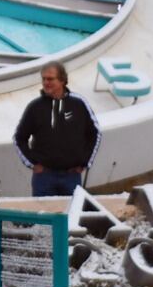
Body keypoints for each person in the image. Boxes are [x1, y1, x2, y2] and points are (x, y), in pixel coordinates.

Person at [13, 61, 101, 197]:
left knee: (70, 216)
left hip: (72, 177)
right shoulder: (35, 107)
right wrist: (33, 164)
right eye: (44, 79)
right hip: (44, 178)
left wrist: (85, 162)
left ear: (62, 80)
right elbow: (19, 138)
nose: (46, 82)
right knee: (43, 217)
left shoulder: (79, 104)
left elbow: (95, 133)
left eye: (50, 79)